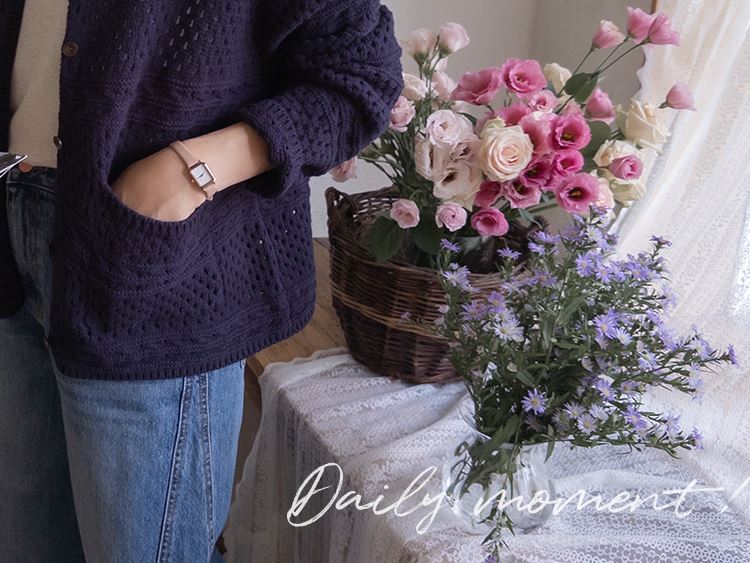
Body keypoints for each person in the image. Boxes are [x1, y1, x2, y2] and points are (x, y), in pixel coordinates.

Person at [0, 0, 403, 561]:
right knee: (25, 539)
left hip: (151, 261)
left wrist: (189, 171)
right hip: (13, 230)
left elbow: (360, 78)